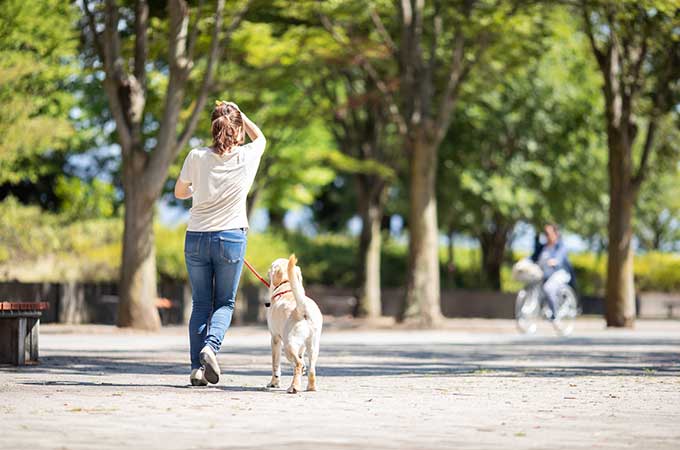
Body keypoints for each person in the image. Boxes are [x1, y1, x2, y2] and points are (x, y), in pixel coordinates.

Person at [174, 101, 266, 386]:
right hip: (231, 238)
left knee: (201, 303)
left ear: (212, 128)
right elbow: (260, 138)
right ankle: (210, 347)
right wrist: (240, 114)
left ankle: (195, 369)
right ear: (237, 130)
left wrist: (197, 189)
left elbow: (179, 192)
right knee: (224, 302)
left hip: (197, 237)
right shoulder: (246, 156)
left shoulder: (196, 156)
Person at [530, 224, 575, 320]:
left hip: (559, 273)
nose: (546, 236)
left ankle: (555, 313)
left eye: (548, 233)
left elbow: (560, 257)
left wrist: (555, 261)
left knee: (548, 288)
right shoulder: (543, 247)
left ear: (555, 234)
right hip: (545, 274)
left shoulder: (560, 246)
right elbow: (533, 257)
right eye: (545, 234)